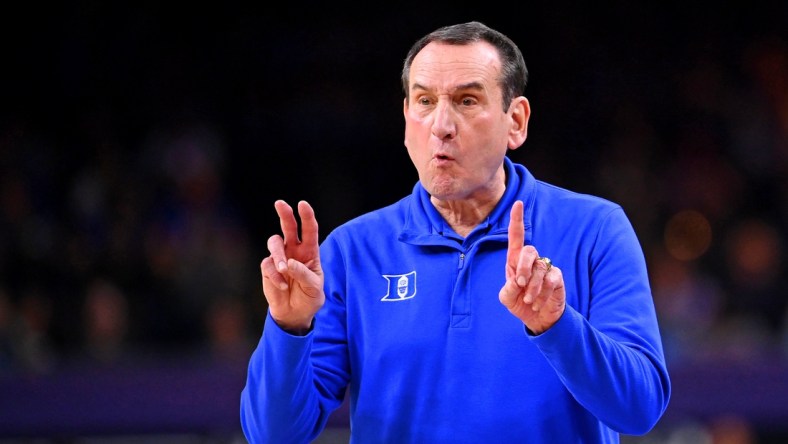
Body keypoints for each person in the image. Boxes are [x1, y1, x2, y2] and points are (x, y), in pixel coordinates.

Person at [240, 21, 671, 443]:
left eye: (467, 100)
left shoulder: (595, 229)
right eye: (424, 101)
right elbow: (273, 435)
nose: (441, 125)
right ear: (407, 117)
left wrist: (557, 327)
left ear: (515, 121)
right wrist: (289, 326)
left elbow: (639, 410)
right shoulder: (353, 251)